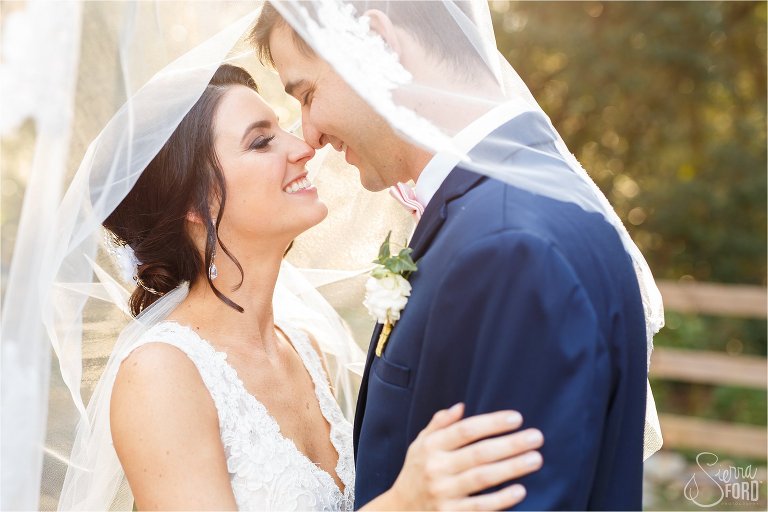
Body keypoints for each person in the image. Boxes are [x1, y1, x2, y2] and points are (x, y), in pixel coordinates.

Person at [251, 1, 663, 509]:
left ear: (377, 45)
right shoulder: (507, 206)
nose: (308, 132)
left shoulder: (510, 246)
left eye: (309, 94)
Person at [91, 63, 543, 511]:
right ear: (194, 201)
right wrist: (406, 504)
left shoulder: (302, 349)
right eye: (262, 141)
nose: (303, 146)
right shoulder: (160, 374)